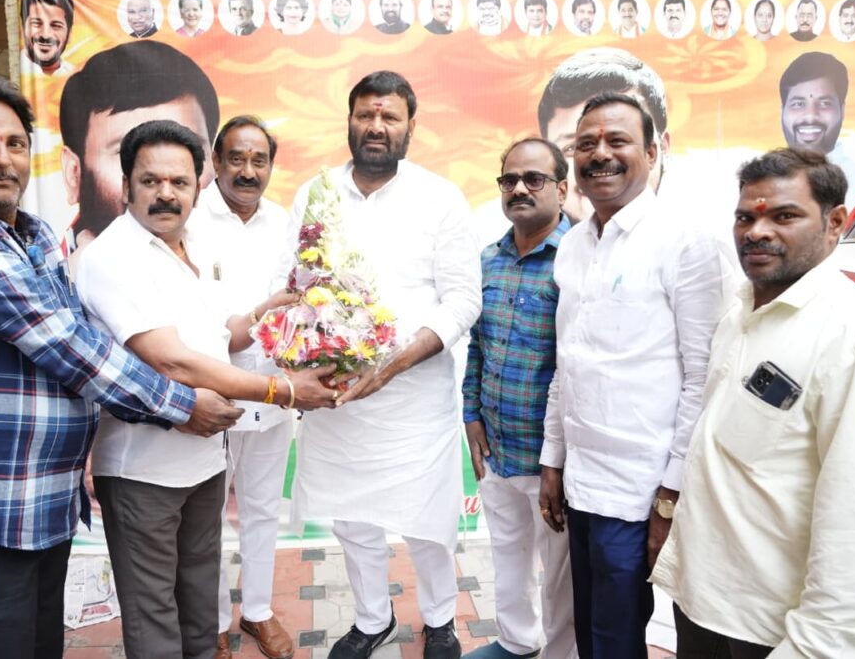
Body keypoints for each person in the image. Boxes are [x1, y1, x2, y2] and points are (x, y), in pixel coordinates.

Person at [0, 74, 235, 659]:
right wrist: (182, 406)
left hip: (37, 509)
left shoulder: (37, 236)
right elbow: (64, 344)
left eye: (15, 144)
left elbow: (85, 343)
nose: (2, 159)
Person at [76, 119, 337, 659]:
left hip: (204, 462)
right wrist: (285, 390)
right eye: (150, 181)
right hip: (144, 470)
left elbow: (226, 334)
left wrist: (269, 313)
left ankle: (242, 621)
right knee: (156, 618)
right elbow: (170, 358)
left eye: (178, 182)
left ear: (196, 185)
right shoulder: (113, 256)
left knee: (199, 609)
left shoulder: (190, 246)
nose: (166, 194)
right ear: (126, 186)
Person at [652, 148, 855, 657]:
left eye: (784, 216)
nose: (757, 231)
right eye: (745, 217)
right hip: (702, 604)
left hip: (775, 631)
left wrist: (816, 642)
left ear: (834, 223)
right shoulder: (739, 310)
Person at [287, 70, 481, 659]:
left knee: (428, 521)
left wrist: (394, 363)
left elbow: (463, 300)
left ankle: (441, 620)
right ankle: (374, 620)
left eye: (389, 116)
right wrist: (303, 351)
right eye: (366, 114)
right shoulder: (315, 193)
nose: (376, 126)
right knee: (353, 521)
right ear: (349, 121)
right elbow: (295, 283)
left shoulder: (440, 198)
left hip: (415, 399)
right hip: (340, 398)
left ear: (410, 126)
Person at [538, 92, 730, 658]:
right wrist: (553, 460)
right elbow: (567, 362)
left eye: (617, 141)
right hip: (581, 482)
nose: (600, 154)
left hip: (640, 490)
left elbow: (703, 379)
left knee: (618, 639)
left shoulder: (686, 241)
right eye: (586, 144)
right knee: (591, 632)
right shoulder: (573, 245)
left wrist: (669, 495)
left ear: (651, 153)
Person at [461, 138, 576, 659]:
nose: (520, 189)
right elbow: (477, 345)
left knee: (561, 573)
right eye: (509, 180)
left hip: (553, 458)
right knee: (507, 551)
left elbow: (576, 367)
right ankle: (516, 640)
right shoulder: (489, 259)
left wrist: (556, 458)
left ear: (562, 189)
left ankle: (560, 652)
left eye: (534, 179)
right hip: (497, 445)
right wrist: (470, 414)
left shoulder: (578, 259)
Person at [190, 116, 297, 659]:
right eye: (237, 158)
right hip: (213, 396)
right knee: (206, 519)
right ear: (216, 162)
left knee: (262, 509)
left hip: (274, 393)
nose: (248, 171)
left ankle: (257, 610)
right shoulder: (191, 220)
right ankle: (210, 622)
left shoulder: (284, 223)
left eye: (260, 160)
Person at [58, 40, 220, 268]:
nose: (166, 192)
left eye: (185, 149)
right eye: (128, 150)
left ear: (214, 165)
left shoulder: (227, 253)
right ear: (74, 174)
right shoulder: (74, 274)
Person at [536, 47, 671, 223]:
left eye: (619, 140)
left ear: (661, 150)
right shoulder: (569, 241)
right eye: (575, 147)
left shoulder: (693, 238)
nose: (600, 156)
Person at [779, 52, 855, 207]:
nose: (810, 116)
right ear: (782, 110)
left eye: (824, 104)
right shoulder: (758, 184)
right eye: (798, 104)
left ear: (842, 110)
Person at [19, 0, 74, 77]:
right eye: (36, 23)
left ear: (69, 34)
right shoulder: (15, 69)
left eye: (56, 25)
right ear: (22, 28)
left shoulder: (76, 75)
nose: (45, 35)